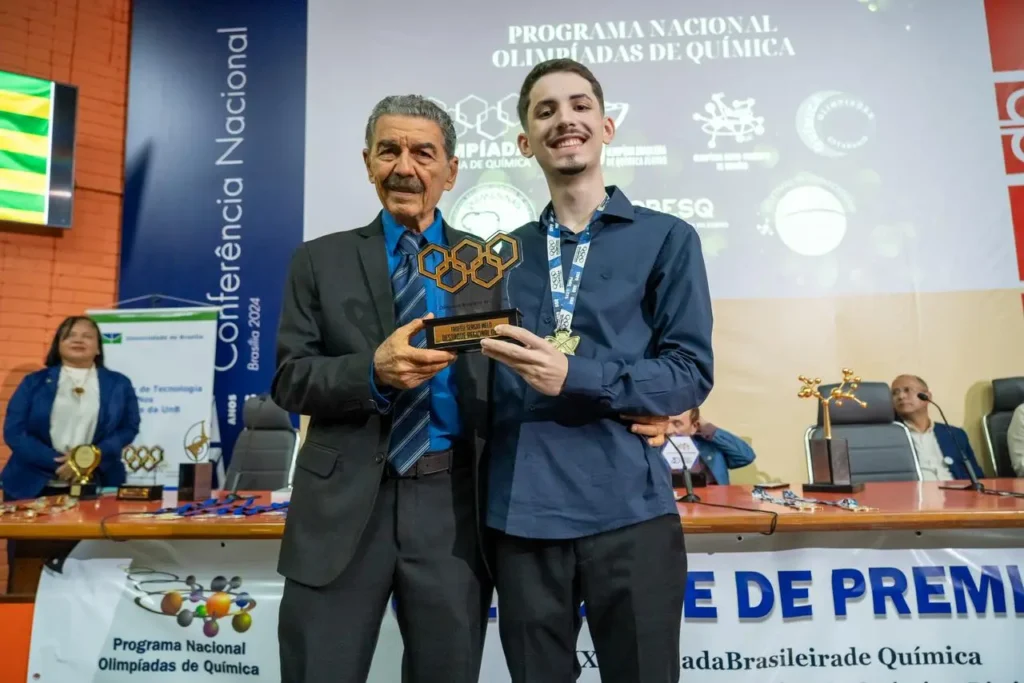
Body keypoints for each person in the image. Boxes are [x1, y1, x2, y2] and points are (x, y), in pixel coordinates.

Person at [271, 93, 669, 682]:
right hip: (342, 506)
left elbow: (547, 365)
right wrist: (372, 371)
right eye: (389, 151)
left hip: (456, 507)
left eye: (423, 153)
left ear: (451, 171)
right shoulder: (318, 261)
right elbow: (289, 379)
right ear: (367, 162)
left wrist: (640, 405)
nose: (405, 167)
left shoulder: (492, 266)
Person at [479, 59, 714, 683]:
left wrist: (578, 377)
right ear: (524, 142)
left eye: (579, 106)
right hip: (523, 519)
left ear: (606, 126)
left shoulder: (668, 239)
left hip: (630, 513)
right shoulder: (498, 258)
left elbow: (690, 373)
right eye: (545, 110)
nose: (565, 121)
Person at [1, 315, 139, 502]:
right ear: (58, 344)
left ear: (98, 347)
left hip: (97, 483)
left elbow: (128, 427)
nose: (78, 340)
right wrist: (63, 462)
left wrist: (90, 458)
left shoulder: (119, 384)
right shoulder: (33, 382)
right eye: (70, 335)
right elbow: (14, 431)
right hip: (30, 484)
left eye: (87, 336)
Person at [891, 374, 982, 480]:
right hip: (915, 494)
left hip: (958, 493)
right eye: (895, 393)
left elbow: (977, 476)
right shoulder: (890, 436)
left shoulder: (954, 434)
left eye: (907, 390)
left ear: (927, 396)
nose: (901, 396)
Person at [665, 407, 755, 485]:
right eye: (665, 423)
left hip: (710, 500)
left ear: (694, 426)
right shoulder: (654, 447)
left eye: (677, 424)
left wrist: (708, 428)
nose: (668, 430)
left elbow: (746, 457)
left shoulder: (709, 445)